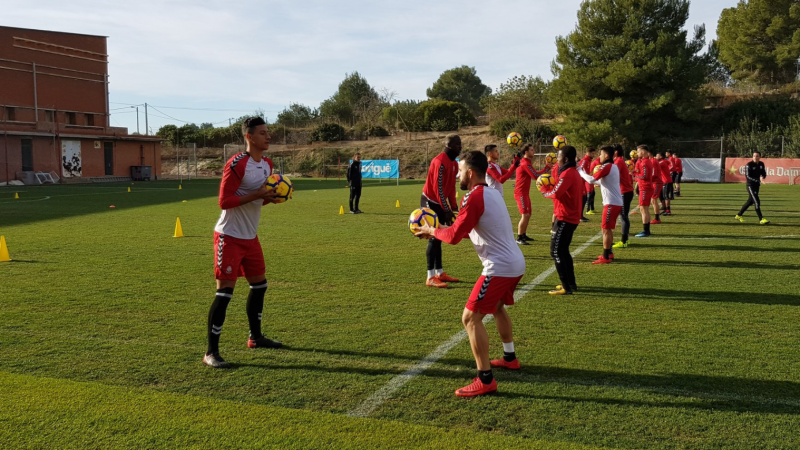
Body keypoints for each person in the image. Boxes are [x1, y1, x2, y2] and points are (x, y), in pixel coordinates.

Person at [414, 151, 525, 397]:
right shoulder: (491, 193)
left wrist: (433, 231)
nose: (458, 176)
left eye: (461, 171)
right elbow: (462, 230)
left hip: (500, 267)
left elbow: (453, 237)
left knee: (470, 319)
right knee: (496, 308)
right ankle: (509, 358)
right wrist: (436, 229)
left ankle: (485, 379)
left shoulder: (473, 197)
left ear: (471, 173)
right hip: (514, 263)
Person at [203, 117, 282, 369]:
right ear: (249, 137)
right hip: (229, 236)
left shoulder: (267, 164)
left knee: (260, 286)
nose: (268, 137)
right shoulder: (237, 163)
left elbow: (259, 200)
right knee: (224, 293)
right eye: (262, 133)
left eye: (268, 132)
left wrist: (274, 197)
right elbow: (224, 201)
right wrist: (258, 194)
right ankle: (211, 352)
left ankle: (255, 338)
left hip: (250, 237)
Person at [541, 146, 584, 295]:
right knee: (564, 251)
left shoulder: (568, 173)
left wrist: (544, 190)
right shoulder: (572, 172)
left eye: (558, 157)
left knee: (556, 252)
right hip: (569, 216)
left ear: (565, 159)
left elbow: (557, 192)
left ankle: (566, 286)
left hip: (566, 217)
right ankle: (571, 283)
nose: (556, 160)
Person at [421, 135, 462, 288]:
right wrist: (446, 209)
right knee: (433, 236)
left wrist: (454, 208)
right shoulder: (439, 161)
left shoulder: (454, 164)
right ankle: (430, 277)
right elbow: (438, 189)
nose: (461, 147)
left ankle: (440, 272)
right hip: (430, 201)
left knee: (439, 237)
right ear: (449, 145)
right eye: (458, 144)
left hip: (441, 202)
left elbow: (451, 187)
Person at [579, 146, 623, 264]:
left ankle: (606, 257)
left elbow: (592, 180)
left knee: (605, 229)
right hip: (615, 203)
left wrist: (579, 171)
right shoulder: (612, 167)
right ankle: (609, 253)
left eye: (601, 154)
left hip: (611, 203)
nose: (599, 156)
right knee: (608, 229)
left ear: (607, 156)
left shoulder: (607, 166)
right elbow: (600, 181)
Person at [514, 143, 550, 245]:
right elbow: (535, 176)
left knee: (528, 214)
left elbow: (534, 174)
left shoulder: (527, 162)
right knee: (525, 215)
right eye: (531, 150)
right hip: (520, 193)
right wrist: (547, 168)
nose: (533, 151)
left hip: (524, 193)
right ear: (526, 152)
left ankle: (523, 234)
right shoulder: (525, 163)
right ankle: (519, 237)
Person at [735, 151, 770, 224]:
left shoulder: (761, 164)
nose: (755, 157)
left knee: (750, 202)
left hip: (757, 186)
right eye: (754, 156)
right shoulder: (749, 165)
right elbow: (748, 177)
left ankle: (739, 215)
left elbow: (763, 173)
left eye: (757, 156)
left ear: (760, 157)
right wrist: (758, 180)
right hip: (750, 186)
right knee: (757, 202)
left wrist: (762, 177)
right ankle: (761, 219)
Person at [612, 145, 634, 248]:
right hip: (625, 191)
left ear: (615, 152)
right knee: (623, 216)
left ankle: (624, 241)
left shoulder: (618, 162)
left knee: (623, 216)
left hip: (625, 192)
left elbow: (613, 176)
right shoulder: (620, 161)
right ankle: (626, 240)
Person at [633, 145, 654, 237]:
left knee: (643, 208)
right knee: (644, 208)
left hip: (645, 187)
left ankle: (646, 231)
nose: (637, 153)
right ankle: (646, 229)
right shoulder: (642, 161)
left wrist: (634, 175)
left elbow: (644, 176)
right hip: (644, 187)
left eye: (638, 152)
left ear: (643, 152)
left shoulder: (645, 162)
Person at [578, 148, 595, 222]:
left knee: (584, 198)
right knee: (583, 198)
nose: (593, 155)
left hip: (583, 182)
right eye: (593, 153)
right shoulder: (585, 160)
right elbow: (579, 169)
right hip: (580, 183)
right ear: (588, 152)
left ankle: (580, 215)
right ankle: (579, 216)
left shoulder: (588, 161)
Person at [585, 150, 600, 216]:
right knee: (590, 194)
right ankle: (588, 210)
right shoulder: (597, 161)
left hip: (592, 179)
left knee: (593, 193)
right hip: (589, 179)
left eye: (594, 153)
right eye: (592, 153)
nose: (593, 155)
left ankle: (592, 208)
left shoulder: (591, 161)